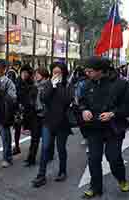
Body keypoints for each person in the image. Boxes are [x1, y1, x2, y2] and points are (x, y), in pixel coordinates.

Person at [80, 57, 129, 199]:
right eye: (86, 71)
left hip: (114, 128)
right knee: (93, 158)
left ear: (100, 71)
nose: (87, 73)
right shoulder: (87, 84)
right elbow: (81, 102)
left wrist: (113, 114)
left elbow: (126, 107)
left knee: (113, 157)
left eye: (90, 71)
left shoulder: (121, 84)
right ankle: (95, 187)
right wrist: (84, 110)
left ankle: (121, 179)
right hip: (94, 128)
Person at [32, 62, 72, 187]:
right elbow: (43, 98)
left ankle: (62, 171)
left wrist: (59, 85)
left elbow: (67, 100)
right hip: (48, 121)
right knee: (45, 148)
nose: (56, 75)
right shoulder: (49, 83)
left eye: (59, 72)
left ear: (64, 73)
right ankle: (41, 175)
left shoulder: (67, 85)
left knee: (61, 149)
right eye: (54, 72)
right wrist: (52, 86)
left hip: (62, 122)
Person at [24, 67, 54, 167]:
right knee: (34, 138)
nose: (36, 76)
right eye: (35, 74)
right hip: (36, 115)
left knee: (48, 138)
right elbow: (30, 101)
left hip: (47, 115)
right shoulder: (34, 86)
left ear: (44, 75)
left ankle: (48, 155)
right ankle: (30, 159)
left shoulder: (50, 86)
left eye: (38, 74)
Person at [13, 65, 38, 156]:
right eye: (23, 72)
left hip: (29, 109)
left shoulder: (31, 83)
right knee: (17, 128)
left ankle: (32, 148)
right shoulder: (17, 81)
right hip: (19, 109)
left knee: (31, 128)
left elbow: (32, 96)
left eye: (26, 73)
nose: (24, 74)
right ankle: (16, 146)